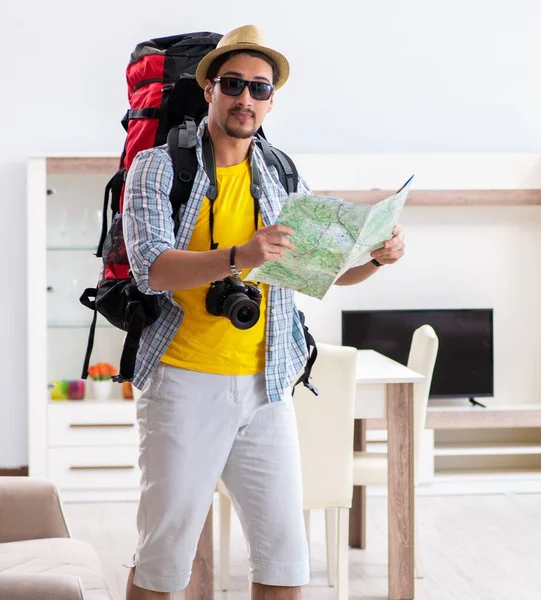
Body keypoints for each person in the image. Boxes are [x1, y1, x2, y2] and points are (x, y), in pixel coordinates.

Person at [123, 24, 406, 600]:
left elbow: (313, 271)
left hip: (268, 385)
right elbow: (150, 268)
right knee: (163, 559)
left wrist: (375, 259)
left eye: (260, 88)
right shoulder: (158, 169)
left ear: (271, 99)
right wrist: (239, 256)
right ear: (209, 88)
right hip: (183, 382)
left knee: (285, 562)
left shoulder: (280, 173)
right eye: (233, 84)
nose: (246, 98)